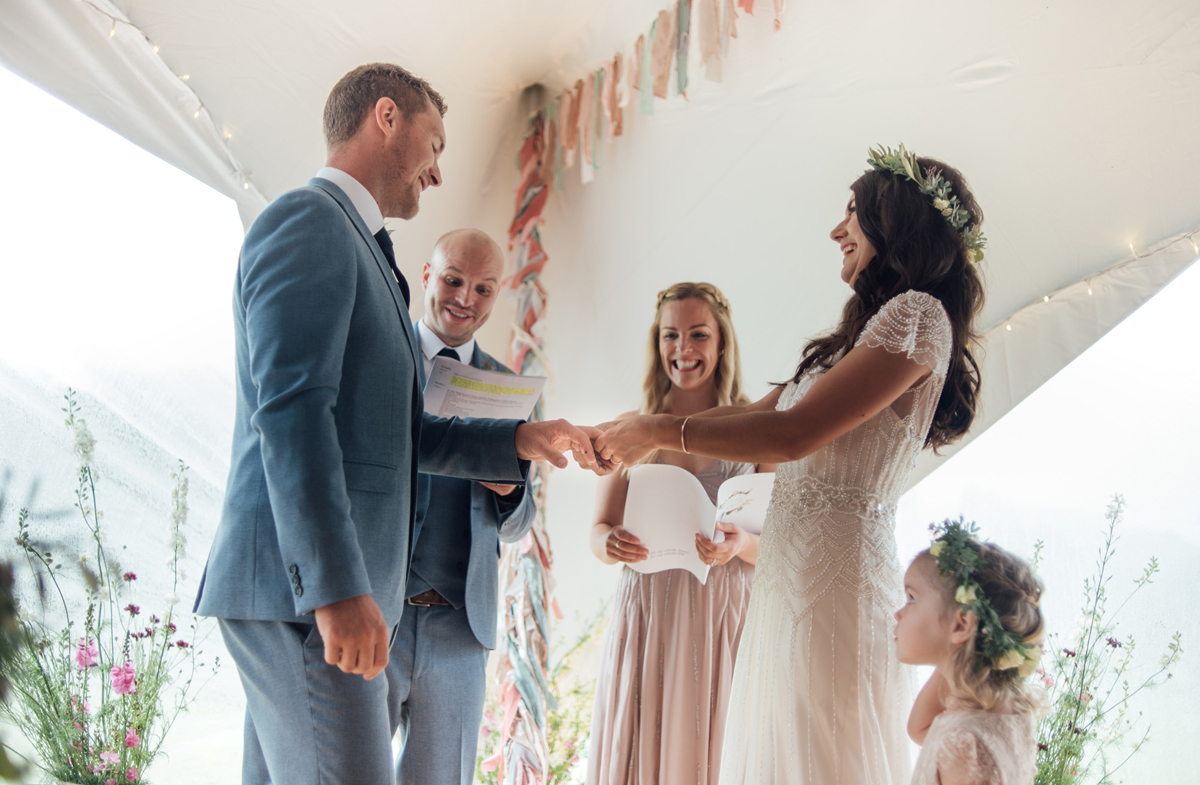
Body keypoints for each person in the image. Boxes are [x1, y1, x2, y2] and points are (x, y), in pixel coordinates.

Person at [193, 63, 598, 785]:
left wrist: (518, 439)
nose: (438, 172)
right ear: (387, 117)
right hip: (307, 599)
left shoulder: (364, 249)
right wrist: (337, 590)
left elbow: (398, 436)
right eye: (435, 144)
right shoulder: (309, 220)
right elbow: (289, 412)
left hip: (324, 599)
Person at [594, 145, 987, 784]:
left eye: (852, 214)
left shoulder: (917, 317)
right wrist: (625, 430)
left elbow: (793, 434)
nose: (837, 230)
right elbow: (752, 412)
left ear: (895, 224)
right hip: (790, 577)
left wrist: (659, 429)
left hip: (837, 579)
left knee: (824, 751)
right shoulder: (866, 330)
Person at [585, 282, 774, 785]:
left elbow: (772, 545)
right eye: (671, 335)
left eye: (697, 334)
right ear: (657, 343)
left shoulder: (757, 424)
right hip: (650, 611)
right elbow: (598, 531)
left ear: (721, 343)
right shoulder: (630, 427)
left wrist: (739, 544)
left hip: (721, 614)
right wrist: (609, 544)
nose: (683, 349)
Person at [384, 228, 537, 784]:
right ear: (427, 276)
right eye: (453, 280)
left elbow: (520, 524)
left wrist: (511, 490)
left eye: (483, 288)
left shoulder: (511, 390)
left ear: (498, 295)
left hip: (460, 630)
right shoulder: (384, 357)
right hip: (379, 615)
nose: (464, 299)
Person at [896, 519, 1044, 785]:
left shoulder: (962, 744)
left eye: (911, 598)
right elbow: (919, 728)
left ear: (961, 623)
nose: (898, 613)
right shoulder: (1010, 714)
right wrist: (955, 652)